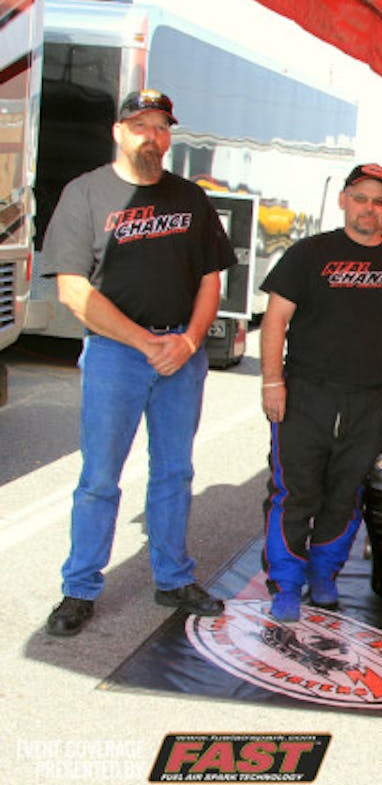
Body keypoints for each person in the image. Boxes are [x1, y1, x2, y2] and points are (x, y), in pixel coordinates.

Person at [42, 89, 235, 636]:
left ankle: (172, 578)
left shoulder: (190, 198)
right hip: (115, 356)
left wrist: (191, 341)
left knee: (175, 473)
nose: (153, 136)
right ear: (118, 131)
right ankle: (79, 588)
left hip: (181, 355)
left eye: (161, 127)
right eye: (141, 125)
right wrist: (143, 341)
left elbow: (210, 278)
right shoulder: (85, 194)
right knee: (100, 478)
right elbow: (72, 290)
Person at [259, 163, 382, 622]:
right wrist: (271, 382)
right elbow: (275, 320)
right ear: (343, 199)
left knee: (347, 493)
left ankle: (324, 576)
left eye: (379, 201)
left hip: (370, 399)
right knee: (295, 492)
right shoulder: (308, 254)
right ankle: (285, 582)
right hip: (304, 393)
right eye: (360, 197)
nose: (369, 208)